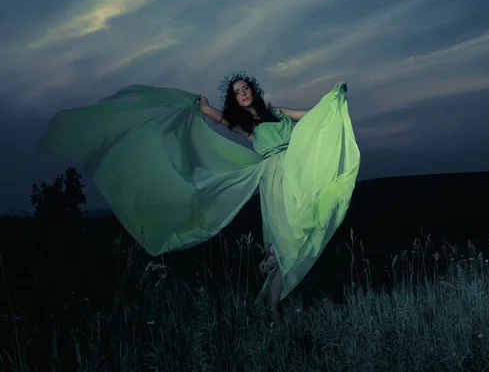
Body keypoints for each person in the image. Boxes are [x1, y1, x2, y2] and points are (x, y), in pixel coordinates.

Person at [38, 72, 360, 321]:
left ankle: (273, 270)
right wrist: (203, 106)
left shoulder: (275, 111)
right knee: (286, 238)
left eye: (245, 88)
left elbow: (307, 117)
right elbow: (220, 119)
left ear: (254, 91)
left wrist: (331, 101)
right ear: (235, 99)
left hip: (297, 166)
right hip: (274, 177)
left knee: (309, 218)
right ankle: (273, 306)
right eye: (236, 92)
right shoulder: (244, 124)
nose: (242, 94)